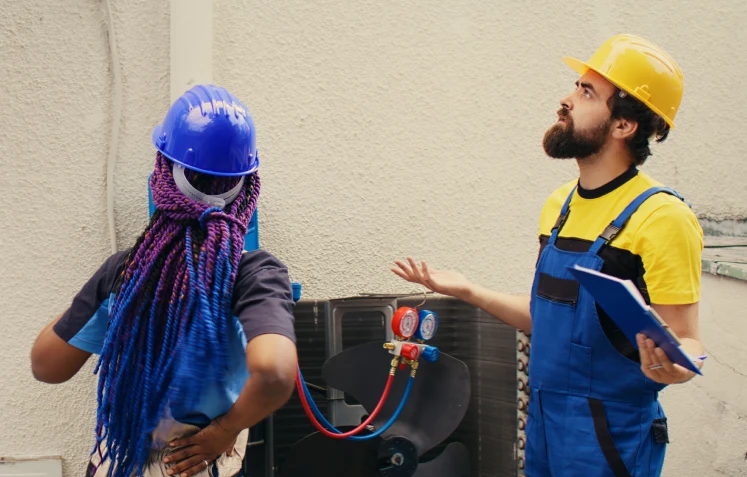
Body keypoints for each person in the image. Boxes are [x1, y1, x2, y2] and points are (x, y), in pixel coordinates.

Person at [392, 34, 704, 477]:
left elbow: (687, 339)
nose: (566, 99)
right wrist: (468, 290)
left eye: (586, 92)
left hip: (612, 434)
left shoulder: (661, 217)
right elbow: (551, 318)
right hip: (542, 423)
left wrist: (677, 369)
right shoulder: (560, 205)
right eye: (576, 86)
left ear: (623, 125)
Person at [30, 85, 298, 477]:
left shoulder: (127, 271)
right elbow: (275, 371)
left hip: (119, 464)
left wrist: (101, 295)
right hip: (200, 465)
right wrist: (222, 432)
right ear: (247, 189)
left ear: (163, 176)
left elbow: (46, 366)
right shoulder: (256, 275)